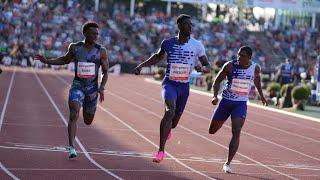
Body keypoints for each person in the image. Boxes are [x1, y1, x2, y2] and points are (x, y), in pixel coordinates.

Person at [133, 14, 211, 163]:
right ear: (179, 26)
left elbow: (208, 66)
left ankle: (168, 129)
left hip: (184, 87)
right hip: (169, 83)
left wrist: (202, 68)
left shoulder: (197, 45)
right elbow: (157, 57)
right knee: (170, 111)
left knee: (173, 123)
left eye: (191, 25)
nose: (190, 27)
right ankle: (161, 150)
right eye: (187, 24)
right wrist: (141, 65)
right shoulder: (168, 43)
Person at [33, 21, 109, 158]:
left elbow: (105, 71)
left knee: (88, 120)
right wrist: (47, 61)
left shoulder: (101, 51)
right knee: (74, 113)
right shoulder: (75, 48)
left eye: (97, 34)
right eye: (93, 33)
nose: (96, 36)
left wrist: (102, 87)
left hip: (92, 89)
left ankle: (88, 112)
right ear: (85, 33)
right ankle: (72, 147)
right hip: (78, 86)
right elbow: (64, 60)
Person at [209, 46, 268, 173]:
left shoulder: (255, 68)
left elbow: (257, 82)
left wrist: (262, 97)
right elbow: (217, 81)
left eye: (243, 56)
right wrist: (214, 95)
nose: (239, 58)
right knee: (212, 131)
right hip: (225, 102)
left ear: (249, 58)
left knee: (236, 130)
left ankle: (228, 163)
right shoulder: (230, 65)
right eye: (238, 55)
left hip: (240, 104)